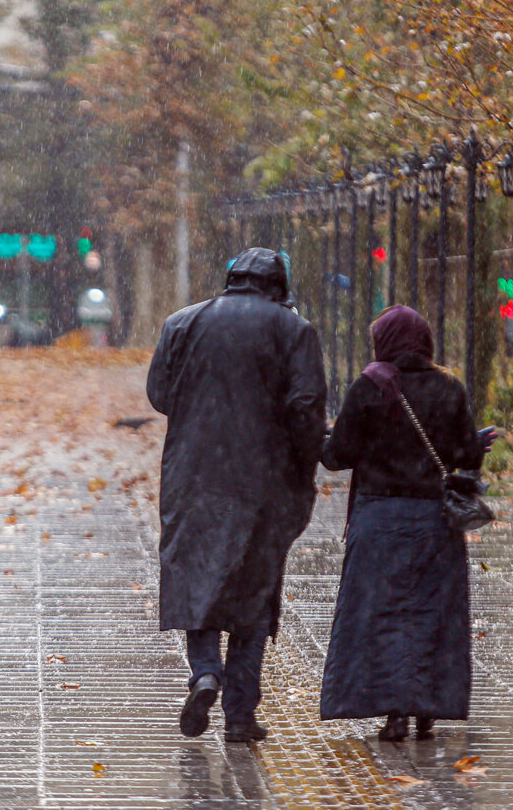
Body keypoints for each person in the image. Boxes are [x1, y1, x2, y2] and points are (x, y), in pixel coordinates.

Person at [147, 248, 327, 742]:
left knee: (197, 578)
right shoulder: (295, 331)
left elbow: (160, 395)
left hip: (193, 476)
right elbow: (307, 406)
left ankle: (205, 670)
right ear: (278, 286)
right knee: (253, 592)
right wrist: (312, 456)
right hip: (263, 481)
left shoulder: (181, 323)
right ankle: (241, 716)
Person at [319, 304, 490, 741]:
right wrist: (475, 444)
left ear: (385, 342)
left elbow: (337, 456)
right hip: (435, 521)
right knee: (431, 614)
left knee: (383, 615)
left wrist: (319, 434)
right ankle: (427, 708)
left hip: (378, 520)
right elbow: (465, 456)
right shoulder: (449, 387)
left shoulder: (368, 387)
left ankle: (393, 713)